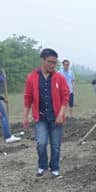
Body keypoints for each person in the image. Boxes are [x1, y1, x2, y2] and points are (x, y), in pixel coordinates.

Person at [23, 48, 70, 178]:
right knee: (41, 143)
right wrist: (26, 116)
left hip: (56, 117)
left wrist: (61, 114)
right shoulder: (32, 77)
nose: (52, 65)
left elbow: (65, 96)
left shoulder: (59, 78)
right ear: (42, 60)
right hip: (40, 117)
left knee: (55, 145)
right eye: (50, 62)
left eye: (55, 62)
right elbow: (28, 97)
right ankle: (42, 166)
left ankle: (55, 168)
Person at [0, 63, 21, 143]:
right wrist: (3, 75)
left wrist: (2, 98)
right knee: (3, 117)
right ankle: (8, 136)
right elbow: (1, 79)